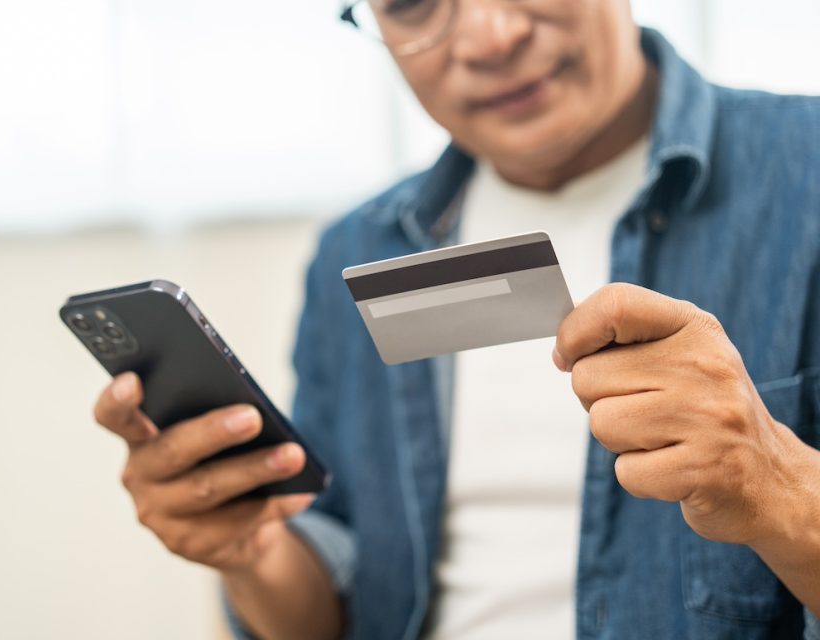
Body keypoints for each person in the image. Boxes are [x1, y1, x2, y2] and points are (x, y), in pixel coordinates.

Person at [92, 1, 820, 638]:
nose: (489, 37)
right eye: (412, 2)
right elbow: (337, 609)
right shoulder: (354, 253)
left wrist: (779, 485)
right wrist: (251, 554)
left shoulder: (805, 173)